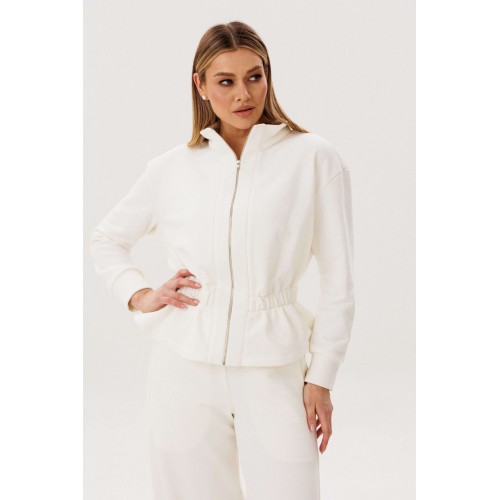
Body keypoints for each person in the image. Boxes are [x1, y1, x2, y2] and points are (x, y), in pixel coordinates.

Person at [89, 20, 355, 500]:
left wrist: (322, 377)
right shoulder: (171, 168)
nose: (243, 94)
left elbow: (339, 281)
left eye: (254, 76)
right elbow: (107, 238)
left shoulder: (314, 159)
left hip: (274, 369)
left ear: (268, 75)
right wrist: (139, 294)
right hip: (182, 369)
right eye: (226, 81)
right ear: (201, 85)